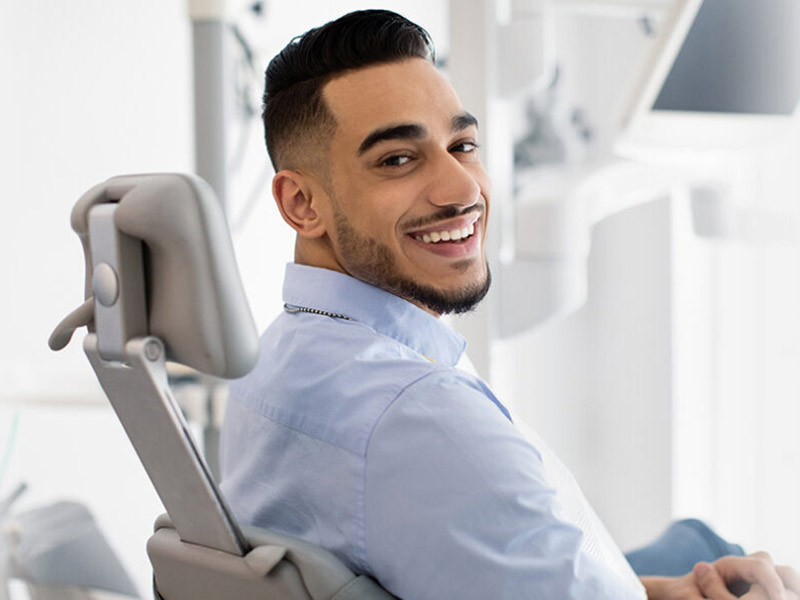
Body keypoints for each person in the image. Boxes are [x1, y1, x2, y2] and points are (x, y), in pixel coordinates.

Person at [219, 9, 799, 600]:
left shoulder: (270, 361)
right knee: (722, 552)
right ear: (300, 203)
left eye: (462, 145)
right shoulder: (421, 418)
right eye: (397, 159)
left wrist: (656, 592)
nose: (464, 190)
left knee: (698, 550)